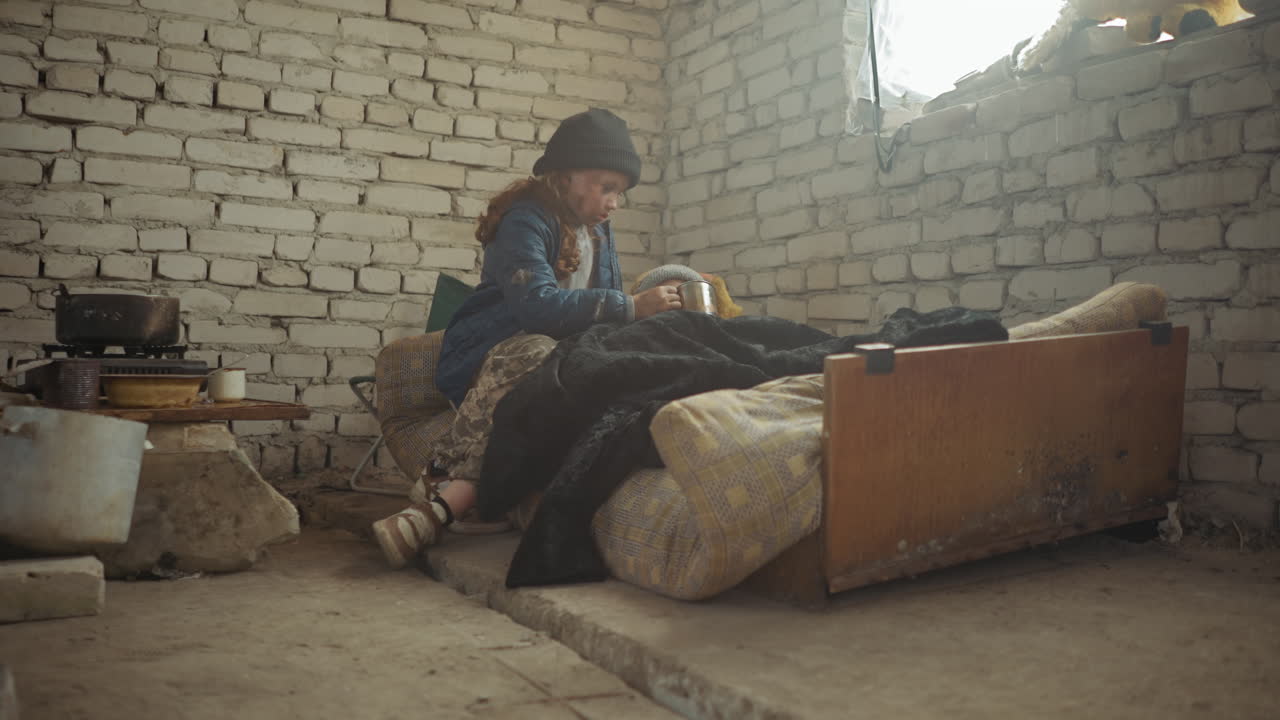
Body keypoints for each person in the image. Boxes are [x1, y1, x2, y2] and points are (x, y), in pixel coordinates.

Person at [372, 108, 683, 568]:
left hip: (556, 358)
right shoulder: (526, 219)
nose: (614, 202)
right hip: (494, 352)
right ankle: (443, 470)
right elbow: (537, 308)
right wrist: (631, 305)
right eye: (607, 186)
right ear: (569, 174)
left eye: (621, 192)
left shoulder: (599, 231)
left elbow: (604, 310)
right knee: (541, 350)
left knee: (599, 374)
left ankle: (454, 499)